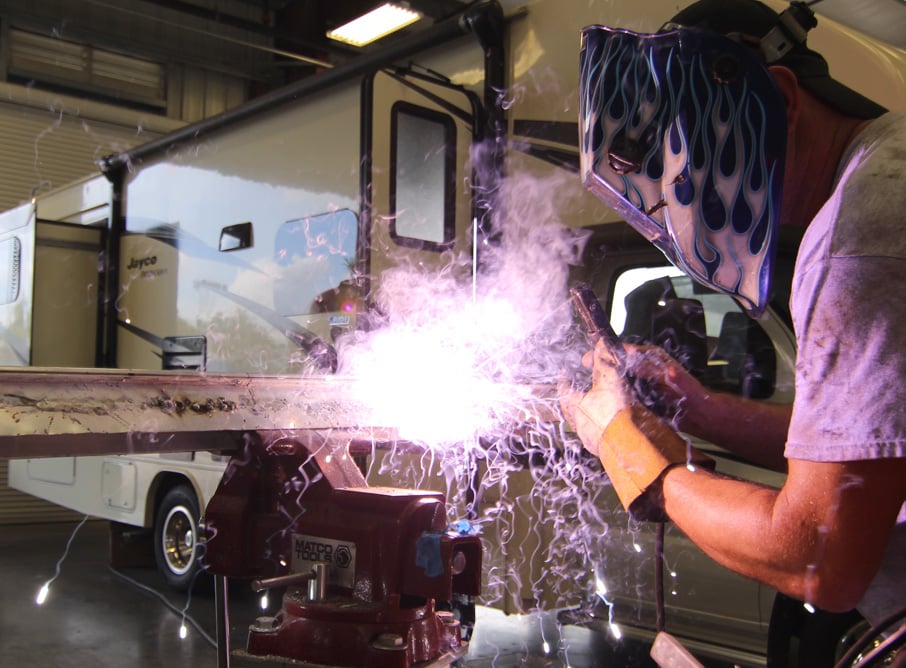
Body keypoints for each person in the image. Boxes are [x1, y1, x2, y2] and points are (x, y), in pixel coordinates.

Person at [559, 0, 906, 631]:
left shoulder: (862, 239)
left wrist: (629, 452)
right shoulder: (893, 169)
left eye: (686, 164)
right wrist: (697, 409)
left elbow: (818, 560)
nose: (684, 201)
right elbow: (866, 455)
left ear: (778, 99)